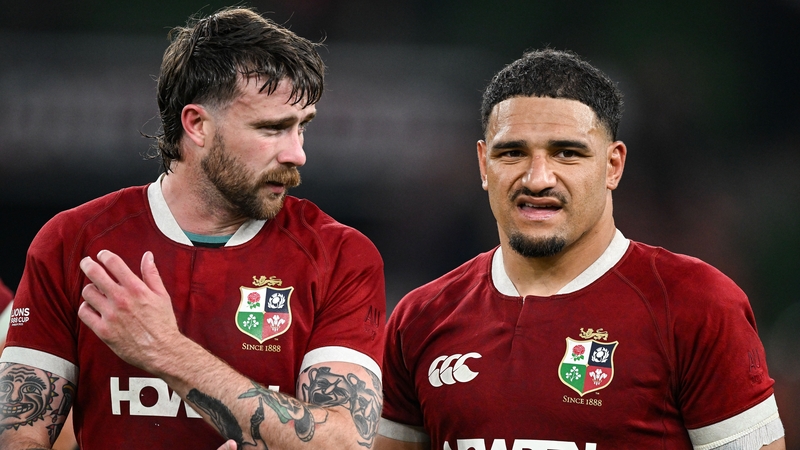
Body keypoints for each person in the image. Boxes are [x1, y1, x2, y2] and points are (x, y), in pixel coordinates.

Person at [0, 7, 385, 449]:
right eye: (273, 128)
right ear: (197, 125)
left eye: (302, 128)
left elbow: (345, 441)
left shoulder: (339, 255)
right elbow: (19, 436)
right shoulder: (73, 242)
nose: (297, 154)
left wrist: (165, 350)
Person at [375, 49, 785, 450]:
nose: (537, 179)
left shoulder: (697, 305)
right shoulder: (421, 318)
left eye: (567, 153)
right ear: (484, 165)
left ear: (613, 165)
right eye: (512, 152)